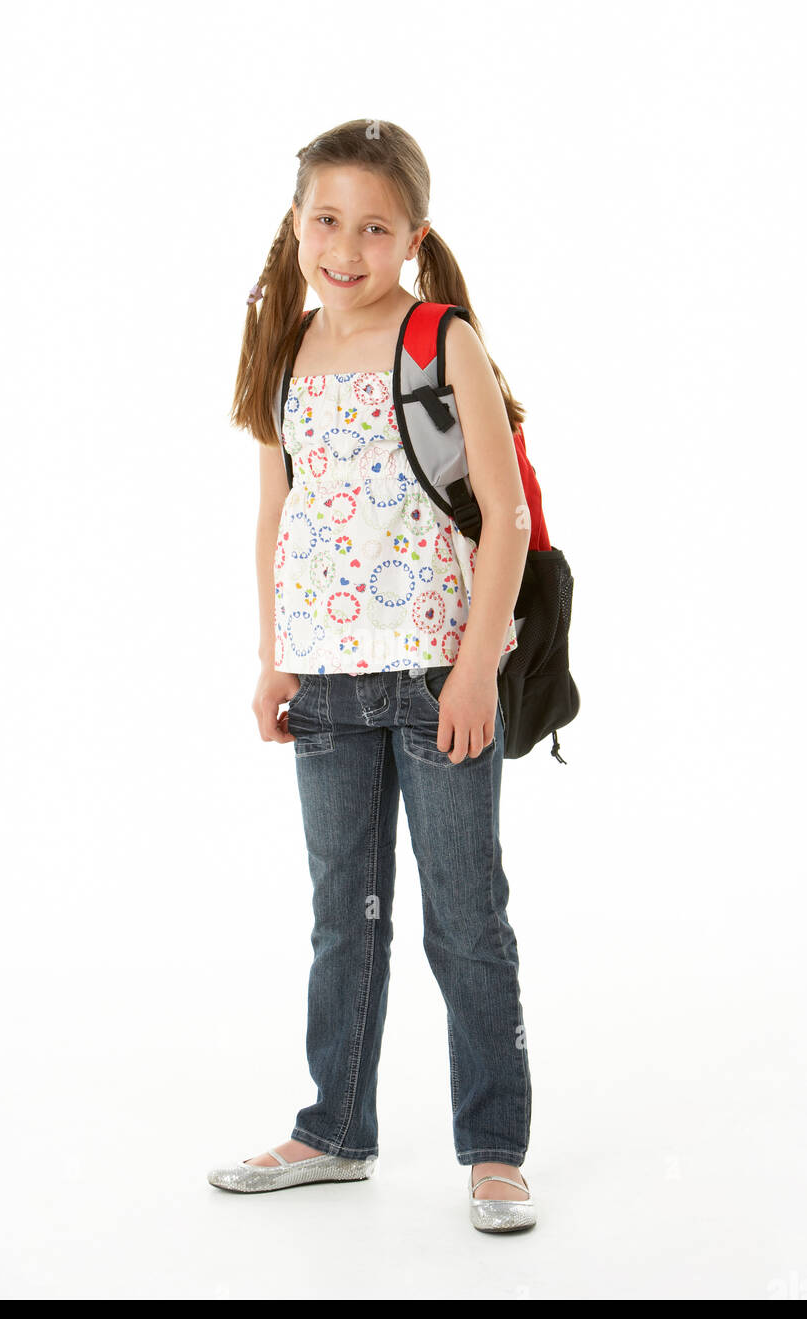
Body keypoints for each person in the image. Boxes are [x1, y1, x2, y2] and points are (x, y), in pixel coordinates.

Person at [208, 118, 536, 1232]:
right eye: (325, 220)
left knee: (464, 915)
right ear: (296, 223)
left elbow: (504, 515)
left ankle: (493, 1148)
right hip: (328, 686)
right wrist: (272, 658)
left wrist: (477, 669)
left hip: (436, 674)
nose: (344, 246)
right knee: (343, 916)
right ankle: (332, 1130)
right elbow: (275, 515)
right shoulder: (282, 345)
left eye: (372, 226)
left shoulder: (442, 341)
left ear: (413, 237)